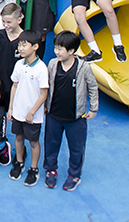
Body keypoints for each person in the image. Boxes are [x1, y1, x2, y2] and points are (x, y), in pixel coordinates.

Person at [42, 32, 98, 191]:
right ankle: (51, 170)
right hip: (54, 115)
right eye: (56, 48)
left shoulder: (83, 67)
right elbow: (47, 86)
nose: (57, 52)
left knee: (76, 148)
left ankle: (74, 174)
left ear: (72, 51)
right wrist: (45, 105)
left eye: (60, 49)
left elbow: (93, 87)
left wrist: (93, 108)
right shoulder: (53, 64)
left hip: (76, 117)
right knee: (51, 145)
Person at [8, 29, 48, 186]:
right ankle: (19, 162)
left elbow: (43, 94)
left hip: (33, 115)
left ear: (35, 46)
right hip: (18, 111)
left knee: (33, 142)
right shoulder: (19, 64)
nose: (21, 48)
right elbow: (14, 86)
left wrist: (32, 112)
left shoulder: (41, 68)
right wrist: (11, 108)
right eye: (19, 45)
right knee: (18, 137)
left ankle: (34, 169)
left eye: (24, 45)